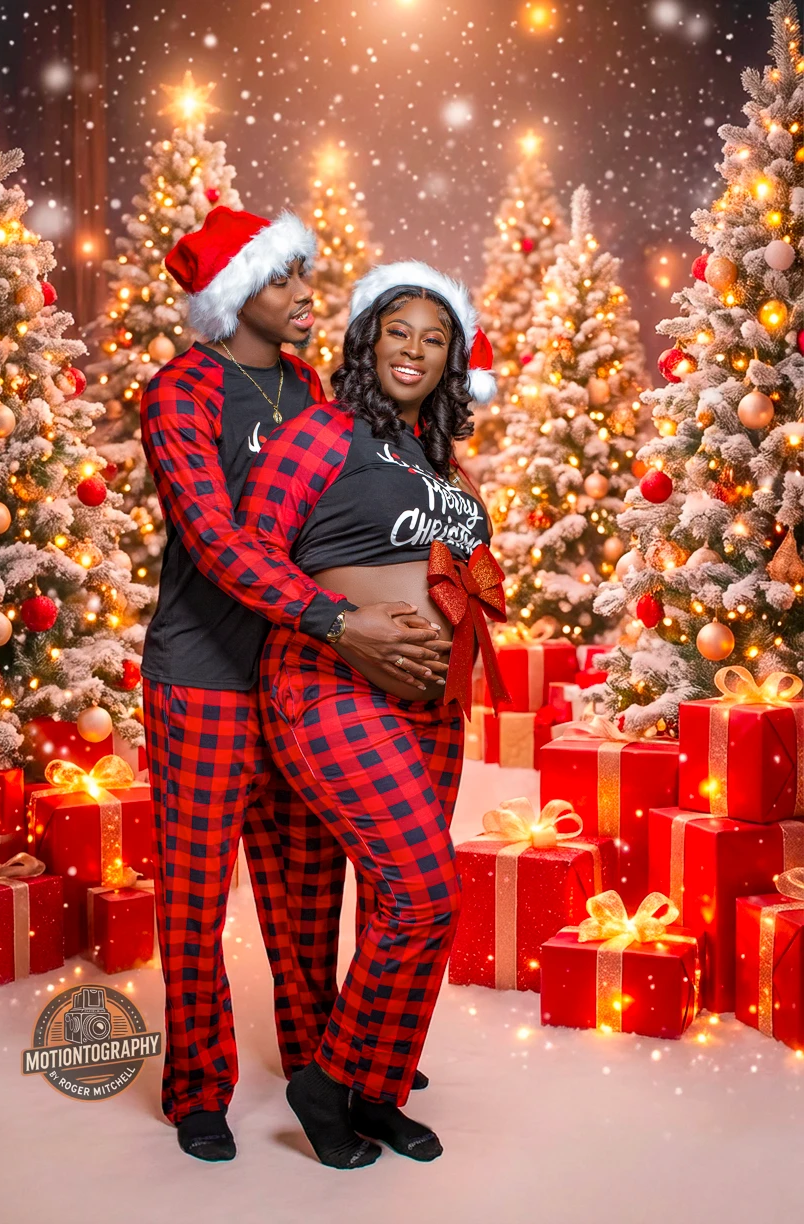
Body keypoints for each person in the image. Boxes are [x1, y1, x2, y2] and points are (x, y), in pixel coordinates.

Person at [140, 211, 450, 1163]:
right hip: (203, 674)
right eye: (286, 280)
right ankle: (198, 1087)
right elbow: (218, 540)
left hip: (304, 680)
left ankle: (326, 1062)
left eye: (307, 276)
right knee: (197, 895)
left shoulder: (315, 389)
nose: (309, 295)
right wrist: (337, 620)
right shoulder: (179, 393)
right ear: (238, 293)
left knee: (304, 889)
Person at [237, 260, 509, 1169]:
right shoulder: (322, 432)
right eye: (401, 331)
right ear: (367, 340)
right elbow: (251, 551)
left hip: (431, 706)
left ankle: (376, 1093)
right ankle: (326, 1080)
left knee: (420, 906)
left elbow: (466, 568)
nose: (417, 349)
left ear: (450, 362)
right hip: (329, 681)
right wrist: (347, 622)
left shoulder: (441, 459)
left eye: (437, 340)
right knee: (426, 885)